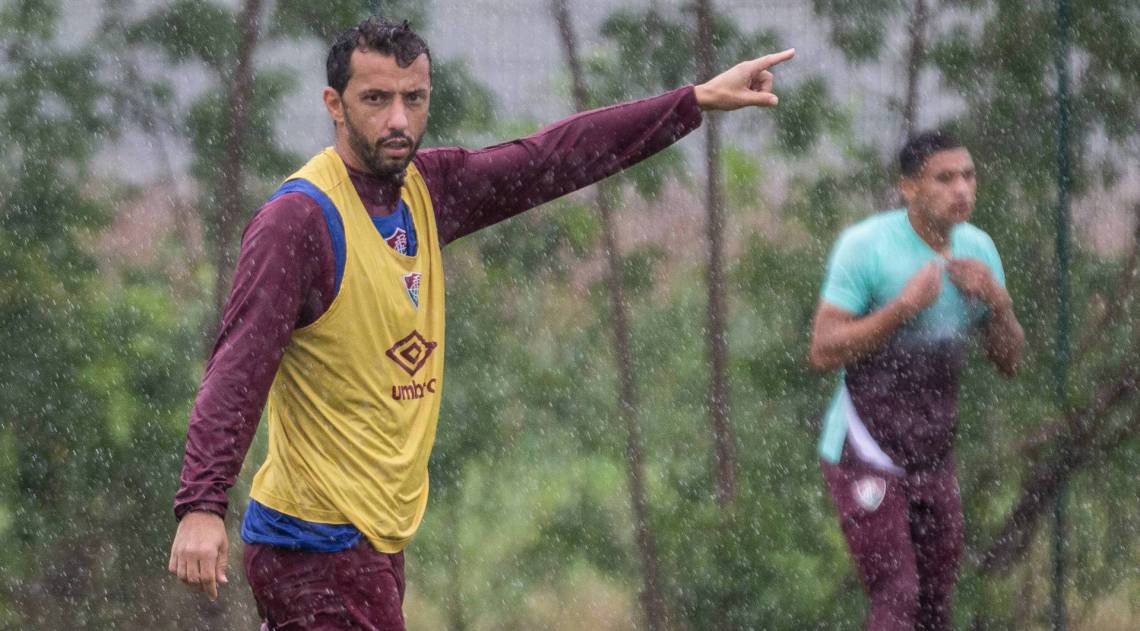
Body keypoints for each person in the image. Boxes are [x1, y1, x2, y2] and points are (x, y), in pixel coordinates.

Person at [167, 15, 795, 630]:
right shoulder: (298, 220)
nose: (398, 119)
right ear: (335, 104)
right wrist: (201, 504)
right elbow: (238, 367)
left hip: (371, 544)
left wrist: (693, 101)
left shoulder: (427, 190)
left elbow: (552, 157)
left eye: (414, 98)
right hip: (313, 545)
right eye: (376, 99)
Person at [808, 130, 1024, 630]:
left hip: (932, 455)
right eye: (944, 179)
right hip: (864, 448)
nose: (961, 189)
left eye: (968, 176)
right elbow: (822, 349)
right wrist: (902, 309)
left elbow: (1009, 361)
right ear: (908, 188)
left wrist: (999, 302)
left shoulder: (979, 250)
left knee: (934, 605)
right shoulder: (866, 247)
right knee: (897, 593)